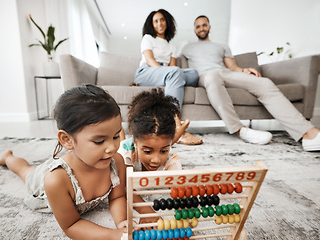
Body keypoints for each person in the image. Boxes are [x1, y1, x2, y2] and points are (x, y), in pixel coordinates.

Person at [0, 85, 128, 239]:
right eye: (99, 141)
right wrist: (113, 235)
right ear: (67, 140)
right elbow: (71, 225)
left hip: (72, 161)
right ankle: (8, 158)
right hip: (43, 182)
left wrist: (122, 222)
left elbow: (117, 197)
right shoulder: (56, 181)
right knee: (26, 172)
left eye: (115, 136)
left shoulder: (117, 162)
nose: (112, 148)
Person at [181, 15, 320, 151]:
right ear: (194, 30)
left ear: (209, 27)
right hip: (205, 75)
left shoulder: (221, 46)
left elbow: (233, 67)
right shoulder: (187, 48)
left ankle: (307, 133)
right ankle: (240, 129)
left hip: (225, 72)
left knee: (265, 83)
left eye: (204, 25)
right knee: (213, 78)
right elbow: (182, 69)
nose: (201, 28)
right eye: (198, 26)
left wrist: (244, 70)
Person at [134, 9, 203, 146]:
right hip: (147, 71)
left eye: (162, 20)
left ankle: (172, 82)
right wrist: (168, 73)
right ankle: (176, 126)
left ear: (167, 22)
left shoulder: (172, 46)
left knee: (193, 73)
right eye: (156, 21)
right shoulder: (148, 38)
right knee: (175, 72)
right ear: (151, 24)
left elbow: (173, 66)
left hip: (166, 73)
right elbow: (150, 60)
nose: (159, 23)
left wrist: (170, 74)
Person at [118, 88, 182, 172]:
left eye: (163, 151)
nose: (156, 160)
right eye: (148, 151)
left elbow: (176, 183)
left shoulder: (171, 160)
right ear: (135, 142)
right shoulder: (123, 155)